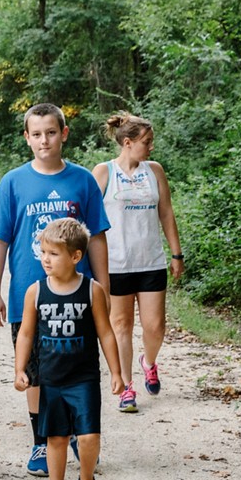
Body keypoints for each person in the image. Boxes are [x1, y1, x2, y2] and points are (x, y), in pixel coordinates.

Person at [0, 103, 110, 477]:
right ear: (26, 138)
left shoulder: (83, 180)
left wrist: (104, 284)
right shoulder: (13, 182)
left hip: (78, 296)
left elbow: (97, 237)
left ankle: (76, 432)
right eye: (36, 134)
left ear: (64, 134)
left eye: (51, 132)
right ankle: (41, 440)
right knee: (37, 370)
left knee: (77, 364)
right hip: (31, 295)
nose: (44, 140)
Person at [14, 219, 123, 480]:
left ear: (76, 256)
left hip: (84, 378)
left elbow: (106, 332)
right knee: (56, 440)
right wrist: (20, 369)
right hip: (51, 380)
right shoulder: (35, 292)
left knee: (88, 438)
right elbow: (25, 333)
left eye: (54, 253)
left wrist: (116, 372)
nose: (46, 259)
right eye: (44, 252)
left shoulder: (92, 290)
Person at [92, 113, 184, 413]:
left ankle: (149, 361)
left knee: (155, 327)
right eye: (146, 142)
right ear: (128, 143)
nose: (151, 147)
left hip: (151, 262)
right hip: (116, 264)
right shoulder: (104, 173)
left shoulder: (154, 171)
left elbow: (166, 212)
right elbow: (90, 219)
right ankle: (127, 387)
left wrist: (176, 253)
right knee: (121, 325)